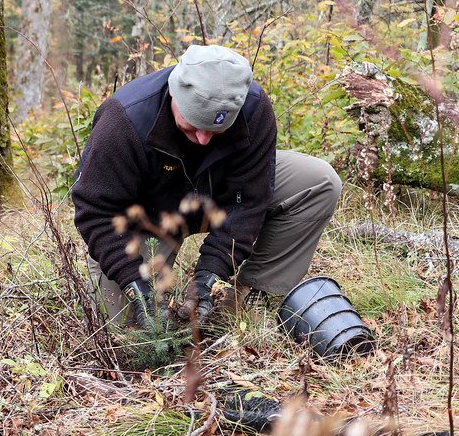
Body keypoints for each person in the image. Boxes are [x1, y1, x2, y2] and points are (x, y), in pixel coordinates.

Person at [72, 44, 342, 332]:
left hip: (217, 194)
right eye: (191, 127)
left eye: (216, 132)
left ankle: (243, 297)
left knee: (319, 181)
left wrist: (209, 277)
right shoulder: (125, 120)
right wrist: (137, 288)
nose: (202, 140)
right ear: (175, 92)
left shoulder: (253, 109)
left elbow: (249, 201)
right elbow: (96, 211)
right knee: (133, 333)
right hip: (146, 217)